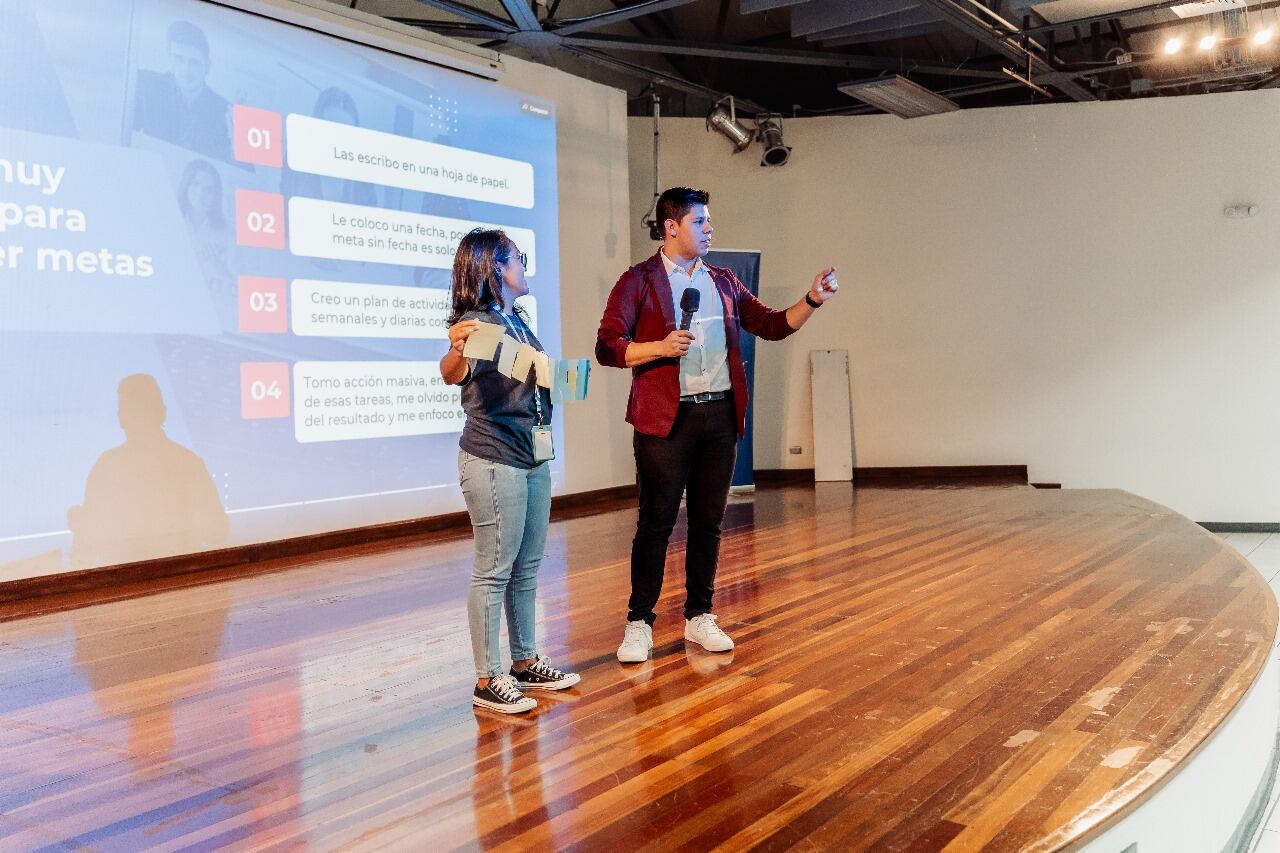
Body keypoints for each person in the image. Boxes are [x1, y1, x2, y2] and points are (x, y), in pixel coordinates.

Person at [596, 187, 839, 663]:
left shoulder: (724, 281)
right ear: (672, 227)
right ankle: (638, 623)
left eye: (709, 222)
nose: (710, 229)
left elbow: (771, 324)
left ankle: (699, 616)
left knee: (709, 523)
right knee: (656, 524)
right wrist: (659, 349)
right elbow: (608, 345)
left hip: (719, 417)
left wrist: (813, 299)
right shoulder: (638, 281)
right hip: (666, 419)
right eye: (701, 222)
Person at [441, 228, 580, 714]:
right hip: (493, 456)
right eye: (518, 258)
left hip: (531, 456)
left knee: (526, 567)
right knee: (494, 570)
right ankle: (487, 679)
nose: (525, 265)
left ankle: (524, 663)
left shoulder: (515, 317)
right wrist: (458, 349)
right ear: (495, 268)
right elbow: (452, 370)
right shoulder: (479, 323)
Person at [130, 21, 232, 162]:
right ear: (169, 58)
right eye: (179, 58)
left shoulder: (223, 111)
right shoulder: (146, 86)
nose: (186, 70)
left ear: (208, 66)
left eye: (194, 62)